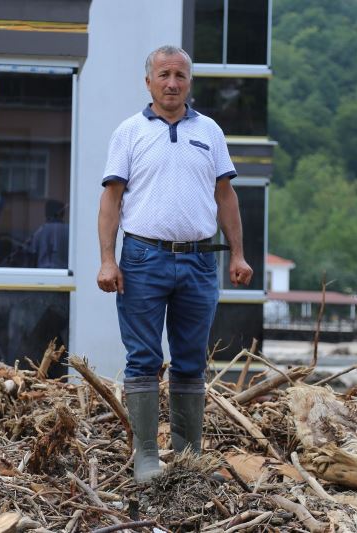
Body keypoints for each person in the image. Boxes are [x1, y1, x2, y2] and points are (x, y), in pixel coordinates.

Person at [97, 45, 253, 483]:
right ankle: (146, 456)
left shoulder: (211, 131)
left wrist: (237, 254)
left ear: (189, 82)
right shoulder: (128, 133)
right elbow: (110, 200)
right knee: (143, 357)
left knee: (190, 361)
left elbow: (226, 196)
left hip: (201, 261)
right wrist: (108, 260)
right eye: (163, 74)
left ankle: (188, 457)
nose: (172, 83)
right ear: (148, 81)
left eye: (180, 76)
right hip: (143, 259)